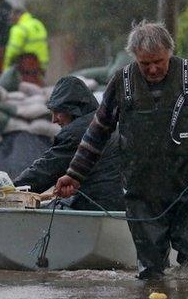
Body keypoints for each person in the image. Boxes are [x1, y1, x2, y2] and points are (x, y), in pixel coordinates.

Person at [55, 21, 188, 279]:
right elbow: (96, 133)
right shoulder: (121, 83)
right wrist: (74, 174)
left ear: (170, 53)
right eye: (145, 64)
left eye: (159, 61)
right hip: (141, 194)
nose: (153, 69)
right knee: (151, 273)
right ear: (135, 58)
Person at [14, 76, 124, 211]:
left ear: (72, 109)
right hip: (120, 205)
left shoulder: (76, 132)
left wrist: (8, 191)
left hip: (95, 205)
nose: (54, 120)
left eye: (57, 112)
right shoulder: (106, 124)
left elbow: (44, 172)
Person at [3, 8, 49, 85]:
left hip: (25, 67)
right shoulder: (38, 24)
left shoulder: (19, 28)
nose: (12, 21)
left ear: (17, 16)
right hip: (39, 67)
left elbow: (13, 51)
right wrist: (43, 67)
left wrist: (6, 68)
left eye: (12, 18)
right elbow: (44, 46)